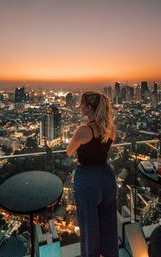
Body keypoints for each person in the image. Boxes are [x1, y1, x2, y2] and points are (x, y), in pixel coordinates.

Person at [67, 91, 118, 257]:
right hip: (107, 178)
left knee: (89, 230)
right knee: (109, 226)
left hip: (88, 180)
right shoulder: (110, 128)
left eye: (82, 104)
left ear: (89, 108)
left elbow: (69, 151)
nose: (79, 107)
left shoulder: (84, 130)